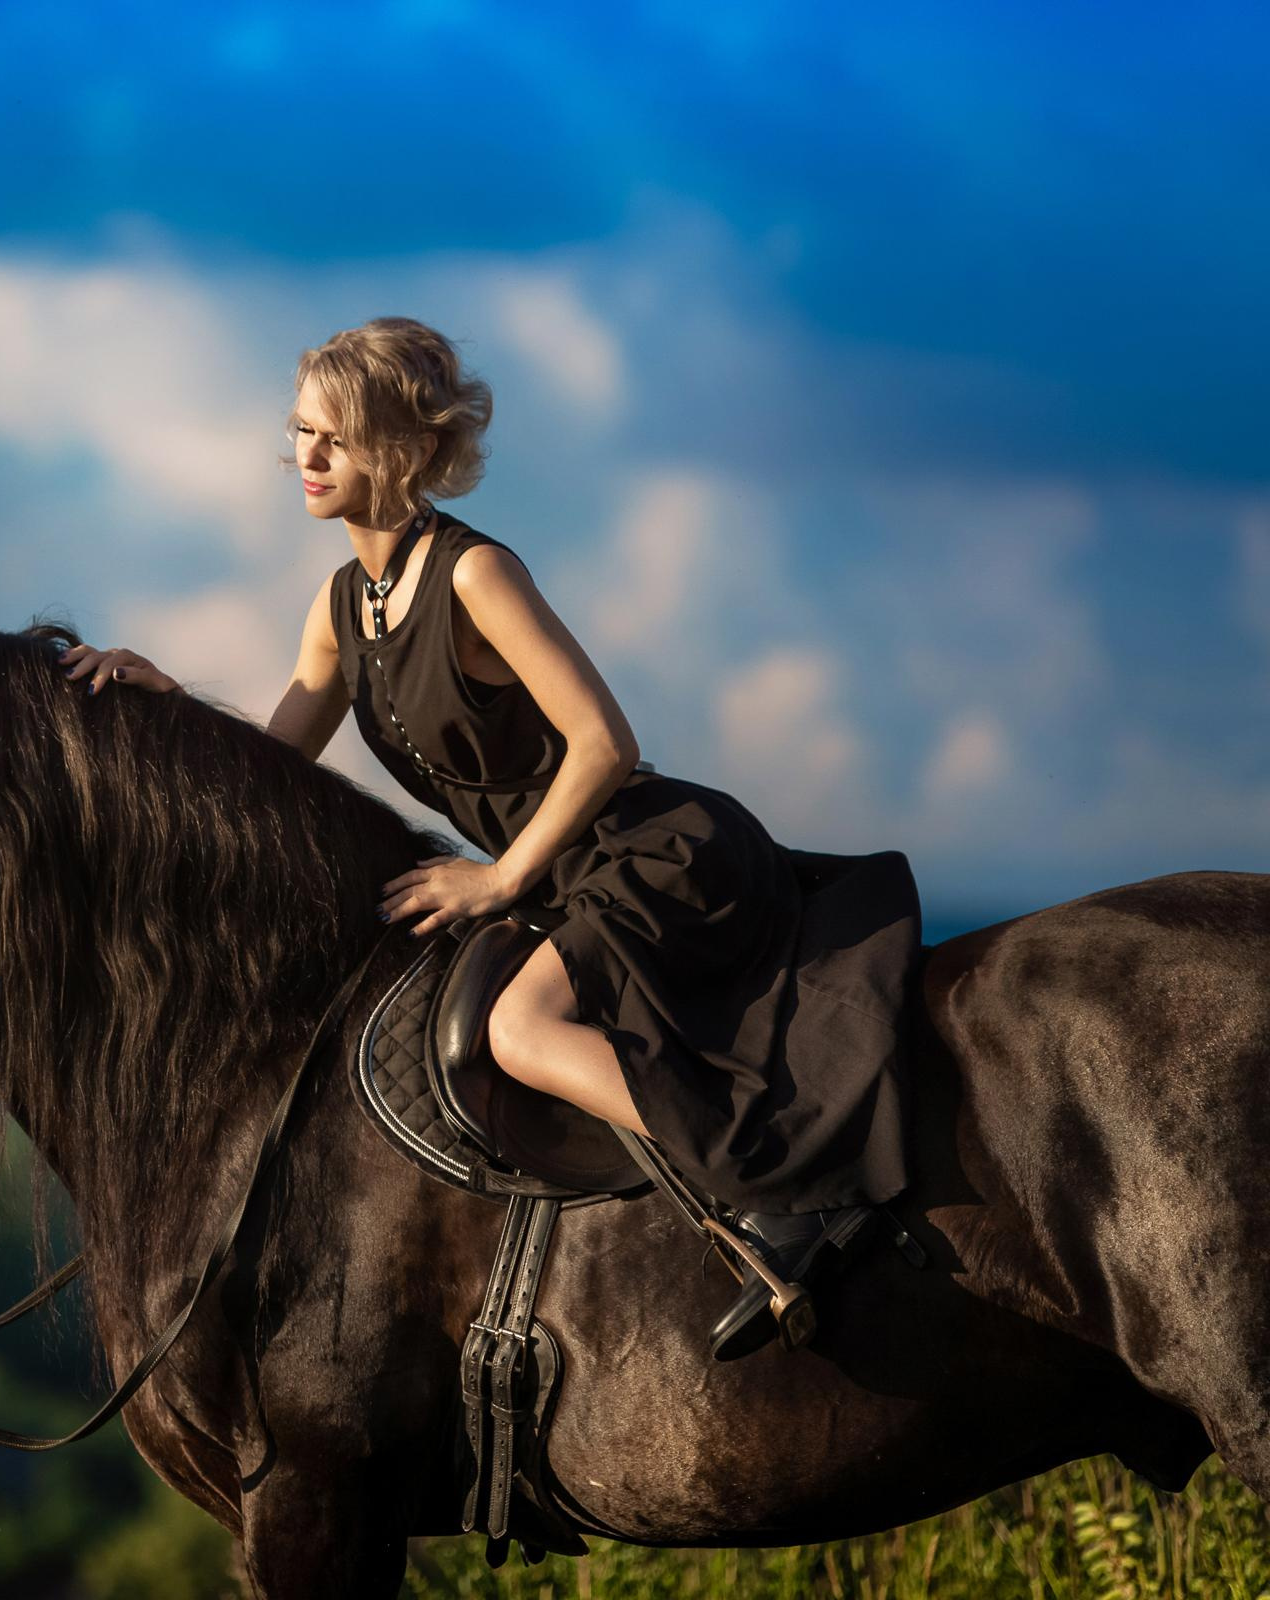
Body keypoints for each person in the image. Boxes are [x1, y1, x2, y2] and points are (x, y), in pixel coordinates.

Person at [59, 316, 922, 1360]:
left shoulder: (474, 575)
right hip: (568, 878)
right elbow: (272, 775)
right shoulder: (341, 609)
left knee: (518, 1031)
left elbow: (604, 740)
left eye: (336, 435)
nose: (310, 458)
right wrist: (169, 703)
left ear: (409, 450)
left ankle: (781, 1198)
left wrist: (498, 880)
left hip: (653, 854)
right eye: (300, 433)